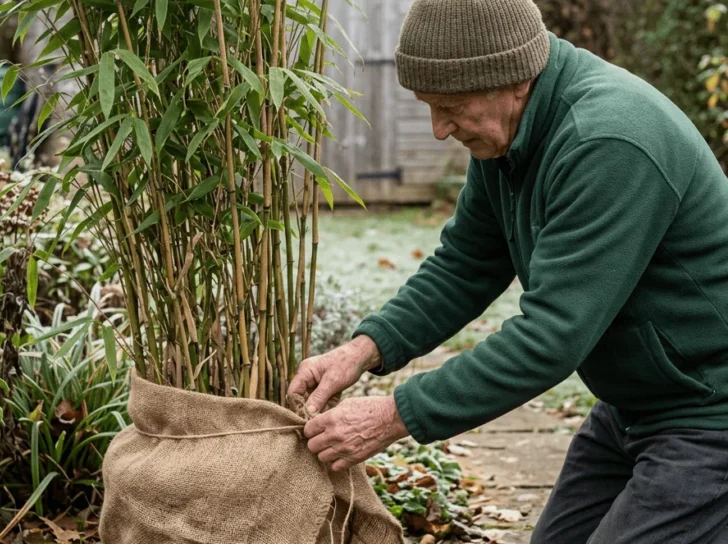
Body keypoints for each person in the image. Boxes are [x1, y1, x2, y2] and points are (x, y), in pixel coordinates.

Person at [287, 0, 728, 541]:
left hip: (710, 410)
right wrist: (363, 348)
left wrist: (395, 415)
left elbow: (550, 337)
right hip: (634, 406)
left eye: (450, 106)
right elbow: (465, 264)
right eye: (427, 106)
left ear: (512, 81)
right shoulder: (511, 138)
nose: (438, 130)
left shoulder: (608, 141)